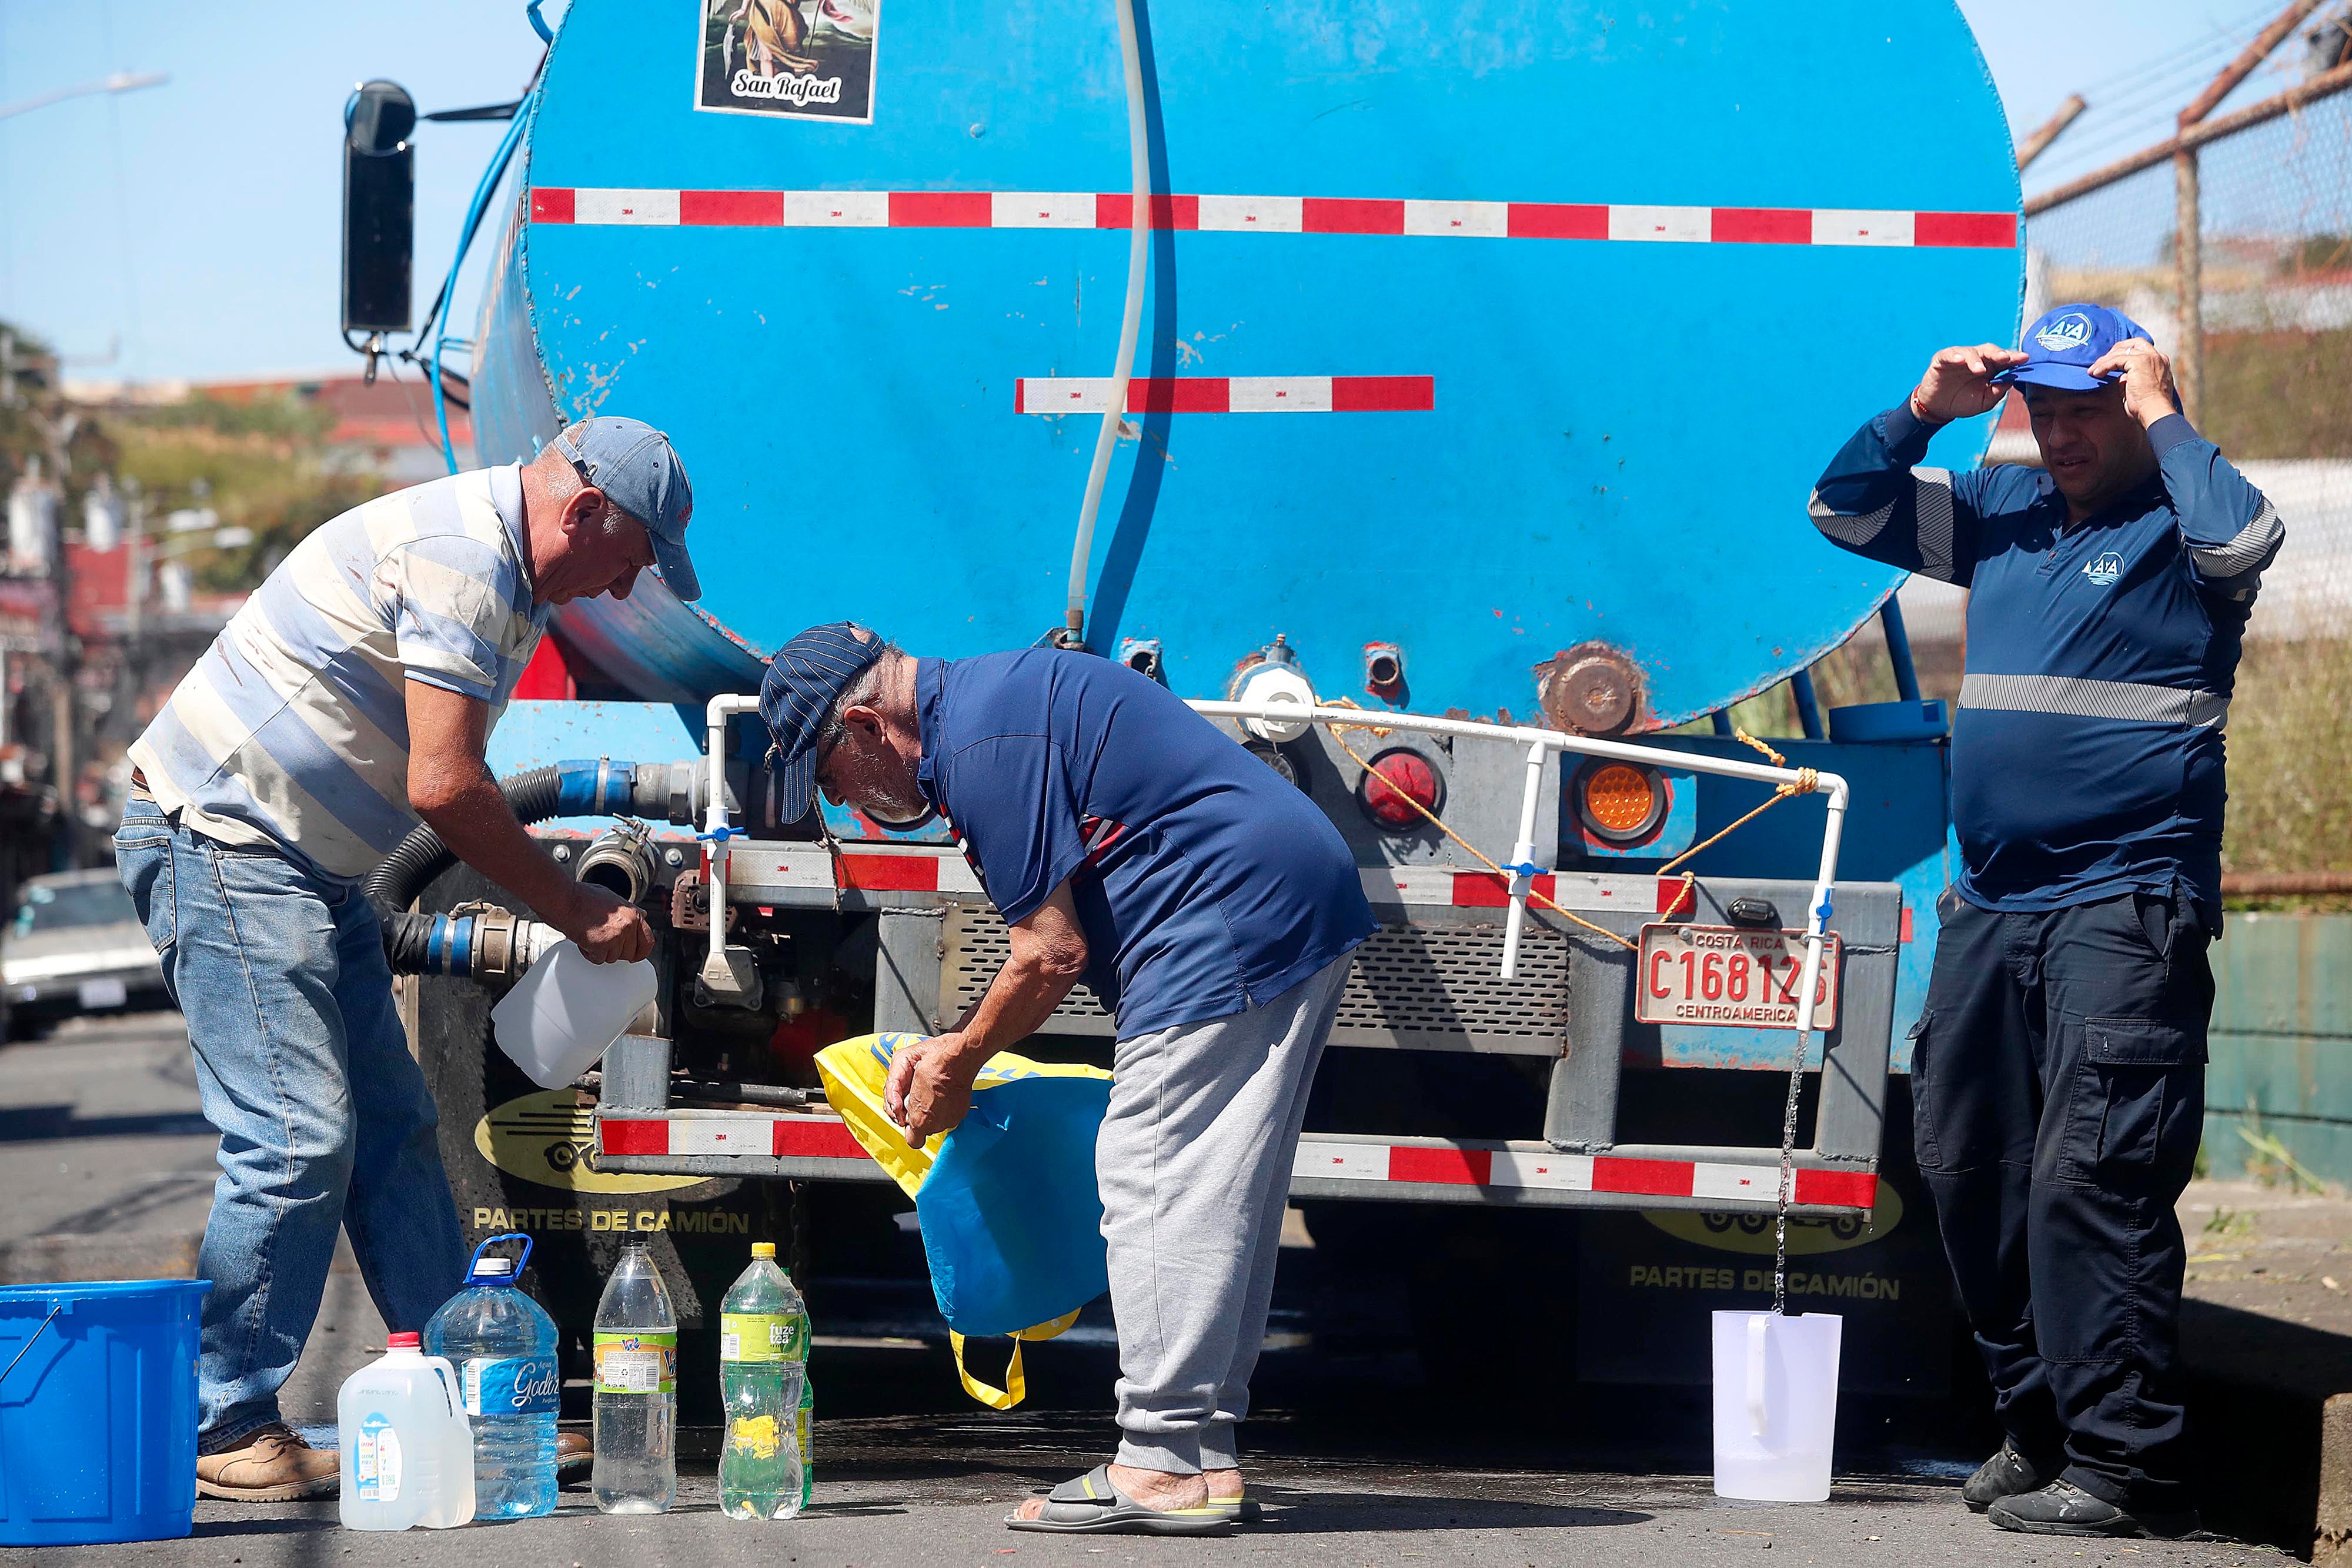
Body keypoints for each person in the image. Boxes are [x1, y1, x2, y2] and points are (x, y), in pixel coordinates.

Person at [116, 417, 700, 1500]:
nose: (624, 593)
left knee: (392, 1132)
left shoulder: (507, 567)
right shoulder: (468, 560)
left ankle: (467, 1391)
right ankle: (224, 1419)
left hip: (304, 866)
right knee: (297, 1137)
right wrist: (573, 907)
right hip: (226, 844)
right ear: (581, 511)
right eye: (628, 561)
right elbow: (446, 785)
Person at [1808, 305, 2284, 1539]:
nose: (2062, 434)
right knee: (1961, 1163)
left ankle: (2125, 1463)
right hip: (1995, 898)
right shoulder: (1997, 511)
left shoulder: (2181, 518)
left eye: (2088, 408)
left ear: (2131, 404)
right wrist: (1921, 410)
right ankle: (2035, 1422)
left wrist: (2165, 409)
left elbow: (2245, 547)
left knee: (2095, 1176)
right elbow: (1841, 509)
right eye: (2044, 410)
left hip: (2122, 905)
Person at [758, 623, 1375, 1535]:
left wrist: (959, 1061)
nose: (845, 803)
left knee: (1153, 1176)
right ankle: (1201, 1456)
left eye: (830, 778)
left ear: (863, 725)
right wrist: (961, 1046)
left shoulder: (978, 744)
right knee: (1217, 1192)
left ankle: (1160, 1461)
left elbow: (1051, 952)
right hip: (1281, 894)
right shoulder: (984, 707)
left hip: (1227, 915)